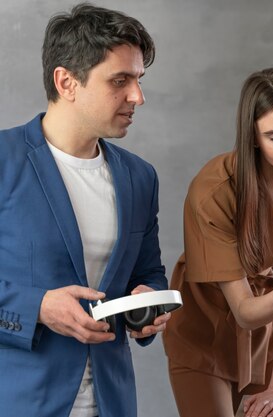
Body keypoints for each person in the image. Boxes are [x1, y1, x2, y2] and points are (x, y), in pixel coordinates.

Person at [0, 4, 170, 417]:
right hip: (20, 401)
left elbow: (148, 272)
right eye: (120, 80)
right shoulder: (4, 161)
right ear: (66, 82)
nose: (138, 97)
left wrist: (148, 302)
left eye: (138, 80)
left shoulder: (139, 178)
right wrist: (36, 307)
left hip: (112, 402)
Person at [162, 66, 273, 417]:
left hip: (266, 318)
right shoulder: (213, 189)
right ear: (253, 137)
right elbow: (244, 311)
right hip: (206, 327)